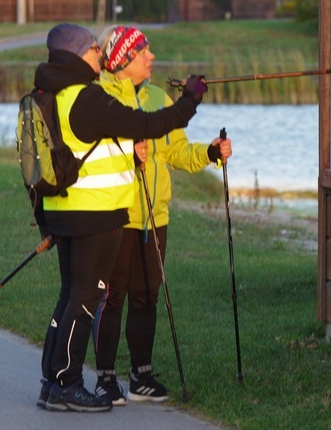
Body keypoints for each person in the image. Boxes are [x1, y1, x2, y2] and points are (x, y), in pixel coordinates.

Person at [33, 22, 209, 413]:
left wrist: (44, 222)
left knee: (70, 297)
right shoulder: (87, 98)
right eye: (94, 49)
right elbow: (148, 124)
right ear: (78, 55)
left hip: (65, 211)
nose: (100, 54)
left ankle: (51, 381)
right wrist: (190, 101)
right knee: (85, 298)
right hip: (93, 214)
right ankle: (67, 383)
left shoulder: (52, 95)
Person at [90, 25, 232, 405]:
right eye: (143, 53)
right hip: (115, 213)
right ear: (122, 60)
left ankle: (141, 375)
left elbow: (177, 153)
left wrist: (210, 153)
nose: (151, 57)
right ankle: (105, 378)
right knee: (113, 296)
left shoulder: (156, 98)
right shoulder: (99, 97)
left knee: (147, 296)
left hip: (155, 216)